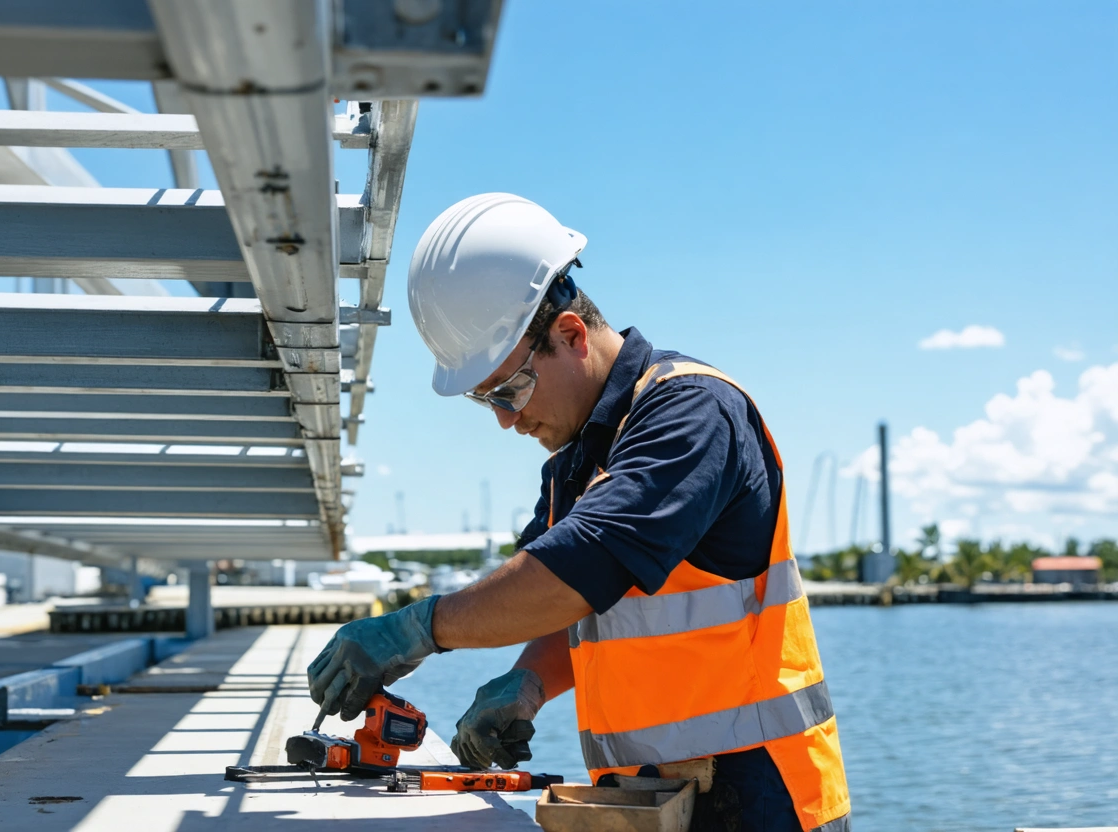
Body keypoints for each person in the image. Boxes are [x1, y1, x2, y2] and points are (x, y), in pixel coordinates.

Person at [308, 193, 851, 832]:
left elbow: (579, 568)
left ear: (569, 334)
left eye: (510, 389)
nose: (508, 421)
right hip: (655, 798)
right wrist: (530, 681)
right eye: (489, 402)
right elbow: (573, 603)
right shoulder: (579, 459)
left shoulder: (691, 414)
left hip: (762, 798)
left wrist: (417, 628)